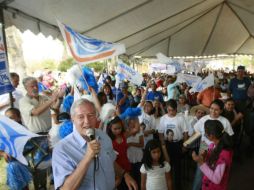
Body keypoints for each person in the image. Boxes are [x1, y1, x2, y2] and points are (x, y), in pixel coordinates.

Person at [52, 99, 137, 190]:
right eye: (81, 117)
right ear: (73, 119)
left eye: (91, 115)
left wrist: (124, 174)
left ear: (96, 117)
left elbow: (110, 160)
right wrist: (87, 157)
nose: (87, 121)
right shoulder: (61, 149)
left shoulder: (103, 136)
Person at [192, 120, 233, 190]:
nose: (204, 134)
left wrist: (201, 163)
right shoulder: (213, 145)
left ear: (211, 136)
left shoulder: (224, 155)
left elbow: (216, 179)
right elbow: (212, 162)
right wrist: (205, 156)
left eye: (205, 132)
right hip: (208, 185)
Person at [158, 99, 188, 190]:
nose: (170, 112)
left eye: (172, 110)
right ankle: (168, 186)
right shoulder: (163, 118)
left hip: (178, 144)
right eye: (168, 110)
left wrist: (184, 145)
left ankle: (178, 186)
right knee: (167, 166)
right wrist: (163, 145)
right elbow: (160, 133)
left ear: (176, 109)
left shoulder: (180, 118)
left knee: (177, 167)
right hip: (167, 145)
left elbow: (185, 133)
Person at [0, 108, 32, 190]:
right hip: (10, 163)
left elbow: (29, 146)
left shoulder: (24, 130)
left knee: (24, 183)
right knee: (14, 168)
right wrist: (3, 153)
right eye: (7, 118)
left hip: (25, 160)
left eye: (11, 117)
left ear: (18, 118)